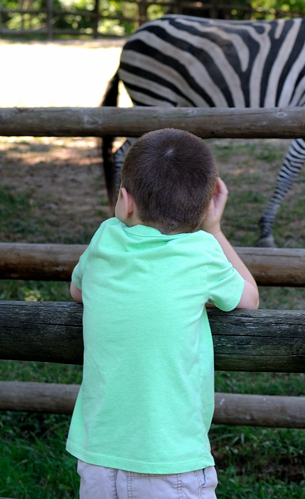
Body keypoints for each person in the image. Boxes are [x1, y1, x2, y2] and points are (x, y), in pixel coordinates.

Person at [65, 128, 259, 499]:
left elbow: (78, 290)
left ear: (125, 201)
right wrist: (215, 228)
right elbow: (249, 298)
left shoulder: (105, 238)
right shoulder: (203, 251)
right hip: (172, 459)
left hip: (98, 455)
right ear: (205, 207)